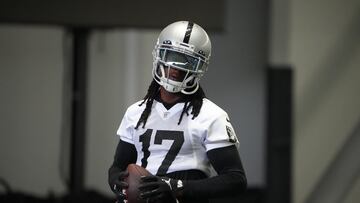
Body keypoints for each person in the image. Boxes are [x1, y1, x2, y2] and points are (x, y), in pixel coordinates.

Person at [108, 21, 247, 203]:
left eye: (186, 60)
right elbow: (118, 166)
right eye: (171, 55)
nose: (175, 68)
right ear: (159, 55)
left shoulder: (211, 115)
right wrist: (115, 180)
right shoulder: (136, 112)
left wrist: (179, 187)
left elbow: (235, 179)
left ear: (199, 66)